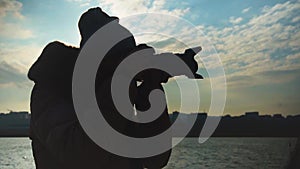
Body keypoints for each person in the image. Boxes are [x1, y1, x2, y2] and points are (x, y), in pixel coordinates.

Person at [28, 7, 173, 169]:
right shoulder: (51, 89)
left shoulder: (111, 91)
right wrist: (121, 81)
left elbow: (155, 159)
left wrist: (150, 92)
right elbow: (81, 155)